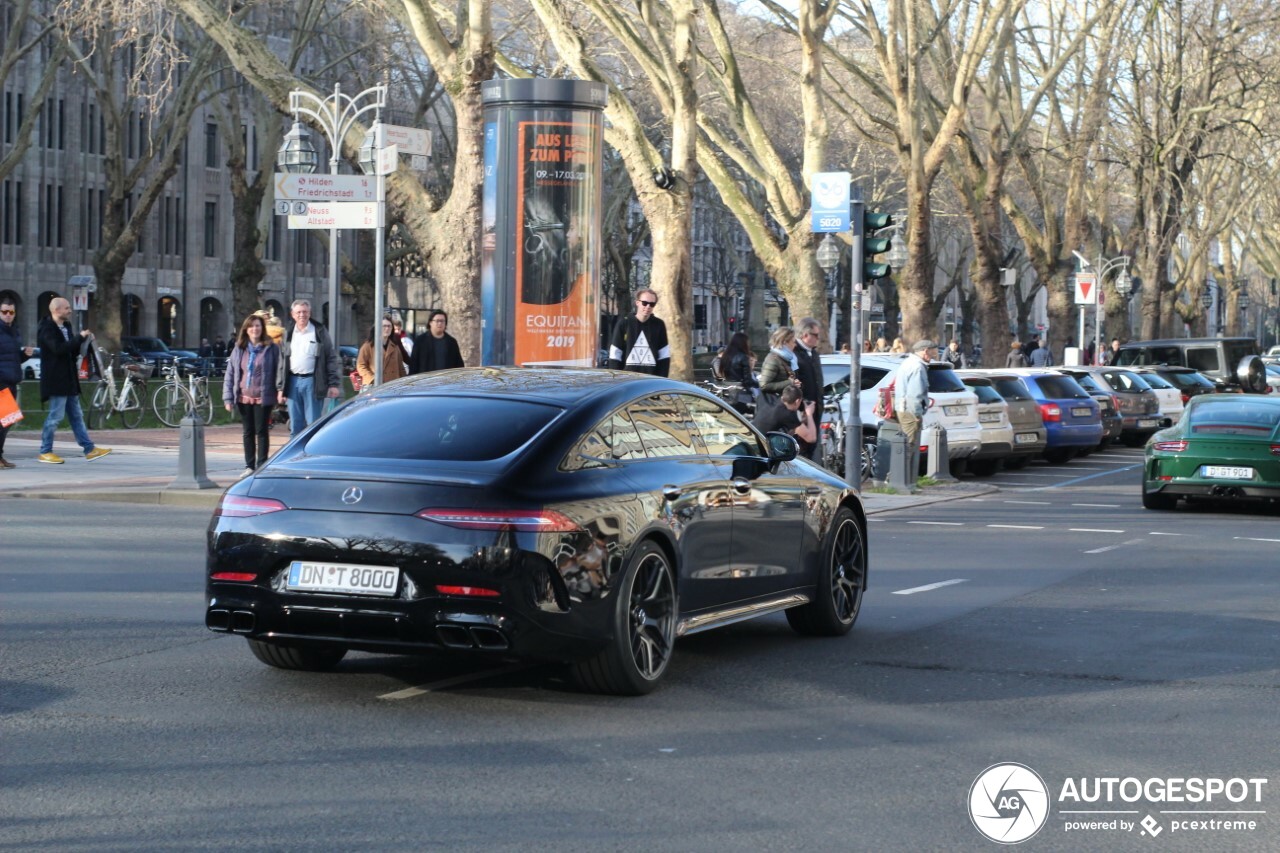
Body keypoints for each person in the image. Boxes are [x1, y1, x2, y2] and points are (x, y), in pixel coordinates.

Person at [36, 297, 110, 464]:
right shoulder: (46, 328)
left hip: (69, 379)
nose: (70, 311)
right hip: (56, 379)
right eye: (67, 308)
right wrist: (78, 338)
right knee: (55, 416)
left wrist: (83, 341)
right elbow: (59, 349)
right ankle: (45, 451)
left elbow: (71, 350)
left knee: (76, 415)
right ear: (56, 310)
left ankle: (89, 449)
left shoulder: (67, 326)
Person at [223, 313, 280, 476]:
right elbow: (231, 373)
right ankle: (249, 466)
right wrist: (228, 398)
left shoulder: (271, 348)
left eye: (258, 326)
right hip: (243, 396)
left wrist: (280, 391)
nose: (255, 329)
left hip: (263, 396)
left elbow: (279, 370)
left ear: (262, 329)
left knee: (261, 430)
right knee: (247, 431)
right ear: (246, 329)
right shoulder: (239, 348)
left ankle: (261, 465)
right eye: (252, 326)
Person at [278, 299, 342, 438]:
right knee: (295, 425)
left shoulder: (319, 331)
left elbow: (330, 357)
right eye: (299, 312)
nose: (302, 315)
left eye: (305, 312)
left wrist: (333, 384)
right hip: (292, 382)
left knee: (313, 424)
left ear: (310, 313)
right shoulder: (287, 333)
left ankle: (312, 455)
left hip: (312, 382)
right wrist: (280, 388)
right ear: (292, 314)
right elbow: (282, 361)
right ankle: (295, 457)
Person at [893, 339, 935, 492]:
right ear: (924, 351)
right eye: (931, 351)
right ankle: (903, 482)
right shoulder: (918, 367)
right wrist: (917, 413)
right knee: (909, 446)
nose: (933, 355)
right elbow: (915, 394)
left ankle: (905, 481)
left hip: (903, 409)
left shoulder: (909, 363)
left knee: (907, 445)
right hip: (910, 411)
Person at [0, 297, 34, 468]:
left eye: (11, 312)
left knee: (7, 420)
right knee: (6, 419)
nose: (7, 315)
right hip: (1, 382)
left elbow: (12, 359)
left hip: (11, 379)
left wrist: (24, 355)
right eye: (4, 311)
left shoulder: (15, 331)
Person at [606, 289, 670, 376]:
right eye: (644, 303)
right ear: (637, 303)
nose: (648, 307)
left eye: (652, 304)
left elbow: (664, 356)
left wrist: (661, 380)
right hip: (627, 380)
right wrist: (616, 378)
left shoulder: (659, 325)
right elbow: (615, 354)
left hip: (652, 380)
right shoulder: (624, 323)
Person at [792, 317, 825, 461]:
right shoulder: (795, 354)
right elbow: (794, 382)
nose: (818, 339)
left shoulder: (814, 354)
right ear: (805, 335)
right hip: (803, 409)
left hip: (815, 409)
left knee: (812, 445)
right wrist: (801, 406)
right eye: (816, 335)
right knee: (802, 447)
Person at [357, 315, 409, 388]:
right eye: (384, 326)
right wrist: (372, 379)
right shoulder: (368, 346)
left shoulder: (395, 347)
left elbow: (401, 368)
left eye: (389, 326)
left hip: (393, 386)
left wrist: (404, 382)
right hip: (375, 387)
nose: (387, 328)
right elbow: (361, 365)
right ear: (377, 328)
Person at [410, 309, 465, 374]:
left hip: (447, 381)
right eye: (437, 321)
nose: (440, 323)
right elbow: (413, 365)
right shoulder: (420, 341)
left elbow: (459, 366)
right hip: (426, 381)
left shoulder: (451, 342)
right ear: (430, 323)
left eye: (442, 321)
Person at [758, 326, 802, 403]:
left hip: (785, 404)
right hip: (775, 405)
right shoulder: (773, 360)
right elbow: (764, 385)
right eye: (793, 342)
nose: (795, 345)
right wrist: (790, 383)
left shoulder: (788, 359)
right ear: (785, 342)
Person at [721, 332, 757, 414]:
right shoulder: (743, 357)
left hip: (728, 391)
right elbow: (747, 380)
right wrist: (760, 384)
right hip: (742, 395)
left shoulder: (725, 356)